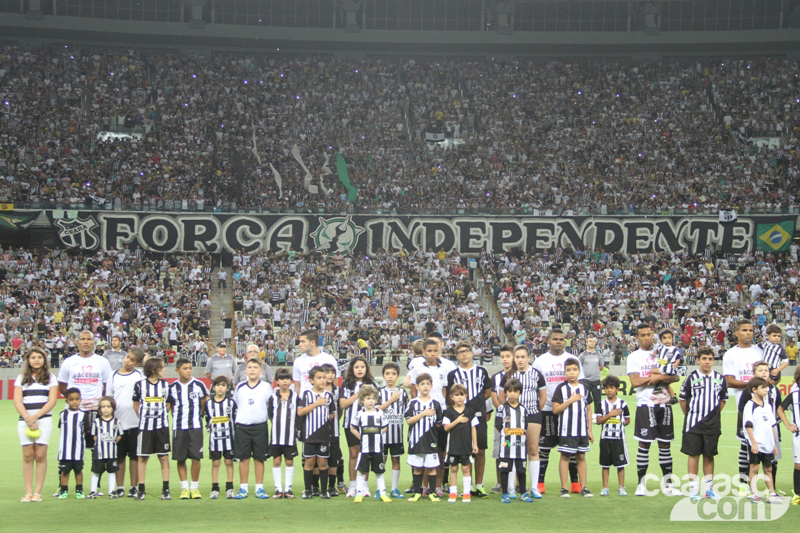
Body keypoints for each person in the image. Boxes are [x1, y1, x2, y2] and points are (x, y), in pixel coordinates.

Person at [627, 323, 680, 497]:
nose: (646, 338)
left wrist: (657, 377)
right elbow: (634, 382)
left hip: (664, 403)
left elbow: (675, 375)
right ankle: (641, 484)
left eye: (649, 334)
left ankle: (668, 484)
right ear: (637, 338)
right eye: (642, 335)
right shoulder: (634, 357)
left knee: (665, 445)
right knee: (644, 444)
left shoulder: (663, 352)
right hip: (645, 405)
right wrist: (654, 378)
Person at [532, 329, 584, 494]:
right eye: (555, 339)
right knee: (544, 447)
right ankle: (540, 482)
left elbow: (580, 384)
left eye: (562, 339)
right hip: (547, 410)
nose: (559, 342)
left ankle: (575, 482)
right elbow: (535, 385)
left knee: (572, 448)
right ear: (549, 341)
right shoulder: (540, 361)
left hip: (570, 413)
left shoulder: (573, 359)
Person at [679, 347, 728, 501]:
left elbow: (723, 400)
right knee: (693, 454)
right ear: (698, 360)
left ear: (713, 361)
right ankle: (693, 489)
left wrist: (712, 414)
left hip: (712, 425)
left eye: (710, 359)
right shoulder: (690, 378)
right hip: (693, 424)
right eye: (704, 359)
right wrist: (692, 415)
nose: (707, 362)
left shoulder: (720, 378)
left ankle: (709, 489)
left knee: (709, 455)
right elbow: (683, 400)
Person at [446, 341, 491, 498]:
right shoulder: (453, 374)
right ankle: (467, 485)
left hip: (477, 413)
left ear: (472, 353)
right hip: (461, 415)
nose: (464, 354)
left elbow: (487, 391)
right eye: (460, 352)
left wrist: (478, 407)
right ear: (457, 356)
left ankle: (479, 485)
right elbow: (449, 396)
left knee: (480, 449)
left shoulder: (482, 371)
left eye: (467, 351)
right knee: (465, 449)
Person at [723, 320, 763, 491]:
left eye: (751, 330)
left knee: (765, 441)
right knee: (744, 443)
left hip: (763, 404)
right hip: (743, 404)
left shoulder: (760, 352)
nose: (748, 333)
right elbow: (729, 381)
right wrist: (752, 385)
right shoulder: (730, 354)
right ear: (736, 333)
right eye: (744, 330)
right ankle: (742, 482)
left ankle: (767, 483)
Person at [502, 344, 546, 499]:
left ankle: (533, 487)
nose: (520, 360)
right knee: (513, 451)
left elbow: (543, 397)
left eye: (523, 357)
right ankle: (512, 488)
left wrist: (532, 411)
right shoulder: (508, 375)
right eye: (517, 357)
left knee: (533, 450)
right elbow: (502, 397)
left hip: (533, 416)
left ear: (529, 357)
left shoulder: (536, 374)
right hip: (514, 418)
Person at [14, 346, 58, 502]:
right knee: (27, 455)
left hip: (43, 420)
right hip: (25, 420)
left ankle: (37, 492)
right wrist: (28, 418)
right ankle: (28, 492)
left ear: (44, 360)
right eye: (33, 358)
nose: (36, 360)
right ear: (28, 360)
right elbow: (17, 401)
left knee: (40, 455)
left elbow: (52, 401)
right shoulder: (21, 378)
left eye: (39, 357)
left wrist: (36, 417)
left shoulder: (51, 378)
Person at [735, 361, 782, 495]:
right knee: (747, 457)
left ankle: (772, 488)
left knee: (771, 460)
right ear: (754, 373)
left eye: (766, 370)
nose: (763, 372)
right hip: (753, 432)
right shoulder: (748, 393)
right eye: (760, 370)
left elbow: (777, 408)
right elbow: (742, 410)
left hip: (769, 430)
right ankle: (745, 485)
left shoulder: (773, 390)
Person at [232, 358, 273, 500]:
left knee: (259, 458)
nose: (252, 370)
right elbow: (236, 405)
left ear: (261, 371)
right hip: (242, 427)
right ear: (246, 370)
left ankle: (259, 488)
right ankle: (243, 488)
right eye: (250, 367)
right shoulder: (240, 387)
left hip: (260, 427)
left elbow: (270, 406)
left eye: (255, 367)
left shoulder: (266, 387)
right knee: (243, 458)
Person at [552, 358, 594, 498]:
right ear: (565, 372)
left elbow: (588, 409)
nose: (571, 373)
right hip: (567, 430)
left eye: (574, 370)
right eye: (568, 370)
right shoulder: (562, 389)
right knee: (565, 456)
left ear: (579, 371)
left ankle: (584, 487)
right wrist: (570, 400)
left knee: (581, 456)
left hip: (581, 430)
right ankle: (564, 488)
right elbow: (556, 409)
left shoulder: (584, 388)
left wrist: (589, 430)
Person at [168, 358, 209, 500]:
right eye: (185, 368)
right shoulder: (172, 387)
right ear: (177, 370)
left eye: (190, 368)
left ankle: (194, 487)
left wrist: (200, 416)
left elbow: (203, 403)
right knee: (181, 458)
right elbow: (170, 406)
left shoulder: (199, 385)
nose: (188, 371)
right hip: (179, 427)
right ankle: (184, 488)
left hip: (195, 427)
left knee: (196, 458)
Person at [132, 356, 171, 501]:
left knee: (164, 457)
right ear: (154, 369)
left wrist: (160, 416)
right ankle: (141, 489)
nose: (164, 369)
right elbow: (136, 405)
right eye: (162, 367)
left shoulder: (166, 386)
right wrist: (144, 417)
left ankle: (165, 489)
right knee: (143, 457)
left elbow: (168, 404)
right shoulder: (139, 385)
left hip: (161, 427)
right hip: (145, 427)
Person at [108, 348, 143, 498]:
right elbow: (108, 397)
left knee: (134, 457)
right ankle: (120, 486)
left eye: (132, 360)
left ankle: (133, 486)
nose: (128, 361)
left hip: (135, 422)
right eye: (127, 357)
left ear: (137, 363)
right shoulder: (113, 375)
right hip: (118, 423)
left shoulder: (139, 375)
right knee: (119, 456)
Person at [405, 373, 444, 503]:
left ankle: (431, 492)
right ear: (417, 386)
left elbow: (439, 422)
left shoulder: (436, 404)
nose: (425, 386)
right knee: (417, 467)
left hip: (431, 440)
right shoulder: (413, 403)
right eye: (422, 384)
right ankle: (417, 492)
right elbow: (409, 421)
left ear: (431, 386)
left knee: (432, 468)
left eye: (428, 384)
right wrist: (423, 414)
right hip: (416, 441)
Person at [298, 366, 336, 499]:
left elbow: (332, 413)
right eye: (319, 378)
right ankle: (308, 490)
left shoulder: (329, 395)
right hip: (309, 435)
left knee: (322, 462)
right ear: (312, 380)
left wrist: (324, 421)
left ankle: (323, 490)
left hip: (324, 435)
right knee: (309, 462)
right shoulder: (306, 394)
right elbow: (300, 412)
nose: (323, 380)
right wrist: (317, 404)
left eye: (324, 378)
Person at [351, 384, 392, 503]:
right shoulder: (360, 414)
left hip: (378, 448)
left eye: (373, 398)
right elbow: (352, 428)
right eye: (368, 398)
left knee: (379, 472)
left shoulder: (379, 413)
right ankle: (359, 493)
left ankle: (383, 493)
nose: (371, 401)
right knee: (362, 472)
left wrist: (379, 434)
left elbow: (385, 427)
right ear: (362, 400)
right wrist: (361, 437)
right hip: (364, 449)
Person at [340, 355, 374, 497]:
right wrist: (358, 394)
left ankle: (364, 486)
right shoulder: (347, 384)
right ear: (351, 369)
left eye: (362, 367)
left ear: (366, 369)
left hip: (367, 424)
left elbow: (375, 404)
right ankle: (353, 486)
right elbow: (343, 404)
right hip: (350, 424)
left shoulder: (372, 384)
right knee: (353, 454)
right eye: (356, 367)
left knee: (365, 454)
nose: (359, 370)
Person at [443, 383, 479, 503]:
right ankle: (453, 493)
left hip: (466, 446)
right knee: (453, 469)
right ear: (451, 397)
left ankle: (466, 492)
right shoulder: (449, 412)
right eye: (456, 395)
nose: (459, 397)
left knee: (466, 469)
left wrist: (475, 444)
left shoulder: (469, 411)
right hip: (453, 447)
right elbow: (446, 428)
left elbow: (473, 428)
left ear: (466, 396)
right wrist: (457, 420)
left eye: (461, 395)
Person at [378, 362, 409, 499]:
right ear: (383, 376)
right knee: (382, 460)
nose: (390, 377)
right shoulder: (379, 392)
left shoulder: (402, 392)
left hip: (397, 434)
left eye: (393, 374)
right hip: (383, 435)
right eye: (387, 374)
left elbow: (407, 410)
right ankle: (381, 488)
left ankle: (394, 489)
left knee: (396, 460)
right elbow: (377, 409)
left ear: (397, 376)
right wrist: (391, 400)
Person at [495, 378, 528, 504]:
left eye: (515, 391)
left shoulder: (523, 409)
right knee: (505, 470)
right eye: (510, 391)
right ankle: (505, 494)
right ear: (506, 393)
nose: (512, 394)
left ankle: (523, 493)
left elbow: (525, 426)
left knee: (521, 470)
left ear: (520, 393)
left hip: (521, 446)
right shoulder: (502, 409)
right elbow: (498, 426)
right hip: (506, 446)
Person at [267, 367, 298, 499]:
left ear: (291, 381)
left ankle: (288, 488)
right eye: (281, 379)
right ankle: (278, 489)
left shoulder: (296, 397)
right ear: (277, 381)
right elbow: (271, 415)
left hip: (290, 436)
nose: (284, 381)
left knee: (289, 461)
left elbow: (298, 415)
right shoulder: (273, 397)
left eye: (287, 379)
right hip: (276, 436)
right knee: (276, 460)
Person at [596, 374, 630, 497]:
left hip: (618, 439)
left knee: (620, 465)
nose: (609, 390)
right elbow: (599, 420)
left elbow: (627, 420)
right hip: (605, 438)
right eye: (606, 388)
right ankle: (605, 487)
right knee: (605, 465)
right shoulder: (601, 404)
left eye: (611, 387)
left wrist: (618, 425)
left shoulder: (623, 404)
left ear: (617, 389)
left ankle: (621, 487)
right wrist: (610, 415)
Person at [205, 376, 237, 500]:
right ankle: (214, 488)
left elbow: (234, 420)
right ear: (213, 387)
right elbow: (208, 420)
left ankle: (230, 487)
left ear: (227, 388)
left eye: (223, 385)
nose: (220, 388)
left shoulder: (231, 403)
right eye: (218, 385)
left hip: (229, 439)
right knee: (216, 463)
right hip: (215, 439)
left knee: (229, 462)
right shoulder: (209, 403)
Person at [489, 345, 514, 494]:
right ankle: (499, 482)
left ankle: (518, 482)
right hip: (501, 419)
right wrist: (506, 414)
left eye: (507, 356)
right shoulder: (496, 377)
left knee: (518, 449)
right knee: (500, 450)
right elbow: (495, 399)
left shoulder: (519, 375)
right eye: (502, 357)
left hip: (518, 420)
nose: (505, 360)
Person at [87, 396, 123, 499]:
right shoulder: (97, 422)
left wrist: (112, 442)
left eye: (108, 406)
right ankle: (93, 491)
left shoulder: (116, 422)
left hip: (112, 453)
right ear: (100, 409)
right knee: (96, 471)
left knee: (112, 471)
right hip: (99, 453)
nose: (105, 409)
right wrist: (100, 443)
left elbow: (120, 435)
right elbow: (94, 436)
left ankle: (111, 491)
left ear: (113, 408)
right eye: (103, 407)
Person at [57, 388, 89, 499]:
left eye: (77, 399)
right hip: (65, 450)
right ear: (66, 401)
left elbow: (85, 431)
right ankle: (63, 490)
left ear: (80, 400)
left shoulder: (84, 415)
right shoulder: (62, 415)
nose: (74, 402)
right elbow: (62, 429)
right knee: (64, 471)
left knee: (78, 470)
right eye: (71, 400)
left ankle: (79, 490)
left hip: (78, 449)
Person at [776, 365, 800, 506]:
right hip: (798, 435)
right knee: (798, 465)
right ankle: (797, 494)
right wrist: (788, 425)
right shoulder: (794, 394)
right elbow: (780, 409)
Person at [321, 363, 344, 495]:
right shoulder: (317, 390)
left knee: (333, 458)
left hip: (334, 430)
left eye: (332, 372)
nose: (330, 375)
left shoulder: (337, 390)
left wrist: (334, 421)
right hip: (319, 430)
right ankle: (316, 486)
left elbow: (339, 410)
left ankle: (331, 486)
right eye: (327, 372)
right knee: (319, 458)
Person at [293, 330, 338, 394]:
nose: (300, 344)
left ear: (313, 342)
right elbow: (297, 385)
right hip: (305, 401)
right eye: (300, 342)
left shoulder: (329, 359)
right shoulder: (298, 361)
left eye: (303, 341)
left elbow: (335, 382)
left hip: (325, 400)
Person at [578, 336, 604, 415]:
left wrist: (593, 370)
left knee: (598, 400)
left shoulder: (598, 355)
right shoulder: (583, 355)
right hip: (586, 381)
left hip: (596, 380)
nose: (591, 342)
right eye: (590, 341)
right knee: (584, 399)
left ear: (595, 343)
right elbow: (578, 366)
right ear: (586, 343)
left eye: (593, 341)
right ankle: (584, 414)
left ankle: (598, 416)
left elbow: (601, 366)